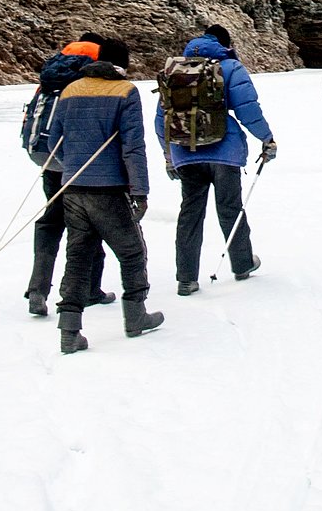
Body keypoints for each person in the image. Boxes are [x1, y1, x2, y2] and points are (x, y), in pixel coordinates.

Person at [48, 36, 162, 354]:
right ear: (123, 63)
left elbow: (54, 141)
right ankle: (136, 315)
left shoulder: (70, 90)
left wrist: (72, 169)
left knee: (78, 257)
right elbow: (133, 147)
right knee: (132, 252)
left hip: (72, 188)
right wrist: (140, 191)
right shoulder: (125, 91)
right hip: (109, 189)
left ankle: (69, 330)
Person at [154, 24, 277, 295]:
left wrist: (168, 155)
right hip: (224, 151)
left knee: (190, 214)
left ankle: (186, 278)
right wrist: (266, 139)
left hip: (186, 152)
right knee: (229, 208)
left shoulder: (174, 70)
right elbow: (248, 109)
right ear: (225, 43)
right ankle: (242, 263)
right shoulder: (230, 67)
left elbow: (161, 118)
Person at [19, 35, 115, 317]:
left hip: (47, 156)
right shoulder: (93, 70)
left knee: (52, 220)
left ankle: (37, 289)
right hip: (78, 161)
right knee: (88, 223)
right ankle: (88, 289)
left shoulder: (54, 69)